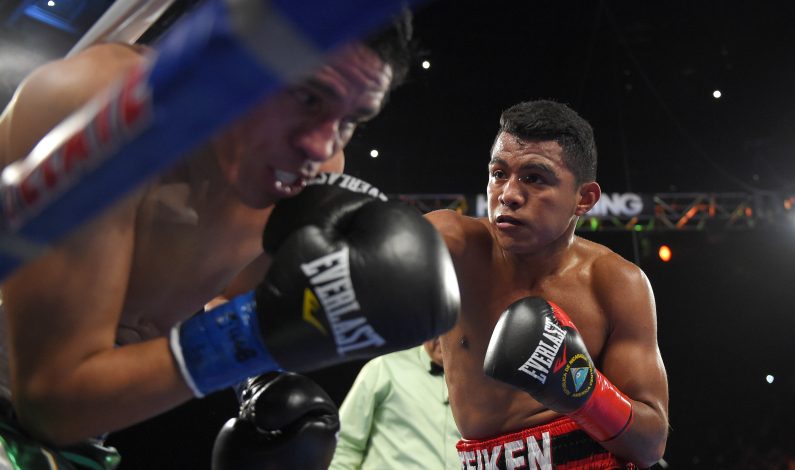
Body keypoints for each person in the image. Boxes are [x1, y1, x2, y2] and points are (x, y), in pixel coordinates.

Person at [0, 5, 460, 468]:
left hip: (83, 432)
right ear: (232, 59)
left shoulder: (311, 171)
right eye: (306, 97)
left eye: (349, 120)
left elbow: (235, 301)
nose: (321, 144)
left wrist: (259, 382)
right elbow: (51, 402)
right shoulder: (102, 105)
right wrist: (251, 339)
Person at [425, 100, 669, 468]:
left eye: (534, 178)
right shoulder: (454, 244)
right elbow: (368, 251)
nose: (508, 194)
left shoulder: (616, 283)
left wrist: (581, 389)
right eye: (498, 173)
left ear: (583, 199)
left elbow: (651, 443)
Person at [329, 337, 461, 469]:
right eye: (440, 327)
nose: (443, 337)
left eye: (452, 327)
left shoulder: (478, 384)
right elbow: (344, 444)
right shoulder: (384, 368)